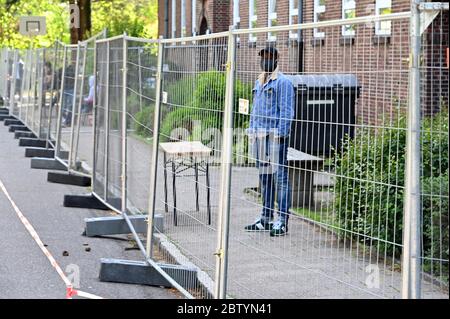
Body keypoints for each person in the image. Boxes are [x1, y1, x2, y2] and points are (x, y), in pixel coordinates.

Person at [245, 46, 295, 237]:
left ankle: (281, 221)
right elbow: (255, 109)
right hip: (258, 136)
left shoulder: (283, 83)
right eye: (263, 57)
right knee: (265, 179)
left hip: (275, 138)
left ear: (276, 60)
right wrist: (251, 130)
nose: (265, 61)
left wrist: (280, 135)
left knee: (280, 178)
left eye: (269, 57)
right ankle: (265, 219)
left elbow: (287, 111)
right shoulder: (259, 81)